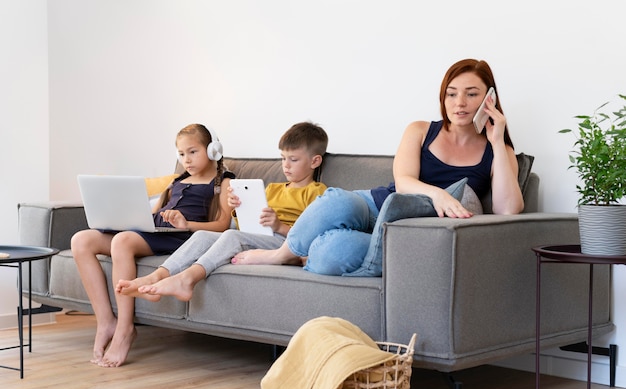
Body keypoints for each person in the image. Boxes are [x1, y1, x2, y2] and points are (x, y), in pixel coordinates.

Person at [232, 58, 525, 275]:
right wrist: (439, 195)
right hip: (378, 204)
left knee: (328, 253)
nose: (459, 102)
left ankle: (304, 254)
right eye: (451, 93)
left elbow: (508, 210)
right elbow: (404, 179)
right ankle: (282, 254)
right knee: (337, 201)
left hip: (405, 234)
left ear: (490, 99)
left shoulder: (499, 151)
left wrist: (498, 141)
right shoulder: (421, 130)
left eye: (472, 94)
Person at [71, 123, 234, 367]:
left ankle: (126, 328)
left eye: (193, 152)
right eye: (181, 154)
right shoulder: (177, 180)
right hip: (155, 229)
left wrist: (186, 223)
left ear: (212, 150)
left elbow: (223, 225)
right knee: (81, 240)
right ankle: (106, 321)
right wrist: (127, 217)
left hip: (181, 236)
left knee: (123, 241)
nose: (186, 160)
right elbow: (154, 214)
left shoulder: (223, 182)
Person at [115, 121, 328, 302]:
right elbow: (250, 223)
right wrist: (239, 208)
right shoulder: (273, 188)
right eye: (283, 158)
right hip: (260, 237)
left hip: (285, 243)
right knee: (203, 235)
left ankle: (187, 279)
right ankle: (158, 275)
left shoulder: (318, 193)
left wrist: (278, 226)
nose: (286, 166)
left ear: (314, 161)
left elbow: (310, 237)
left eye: (293, 159)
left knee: (231, 235)